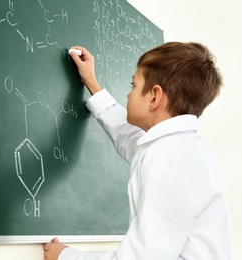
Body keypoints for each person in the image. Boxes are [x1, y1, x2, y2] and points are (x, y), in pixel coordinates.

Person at [43, 42, 230, 260]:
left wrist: (66, 257)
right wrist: (92, 83)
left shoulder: (169, 161)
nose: (128, 94)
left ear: (154, 97)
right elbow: (130, 137)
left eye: (133, 85)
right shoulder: (177, 147)